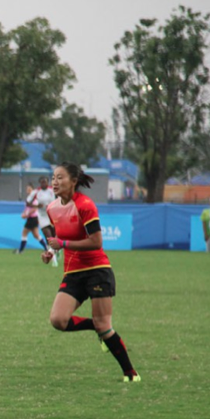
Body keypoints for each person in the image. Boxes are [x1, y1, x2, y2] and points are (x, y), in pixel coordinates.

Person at [43, 163, 140, 382]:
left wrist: (62, 244)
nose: (55, 182)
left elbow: (96, 242)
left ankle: (130, 373)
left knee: (104, 325)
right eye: (53, 177)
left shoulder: (85, 205)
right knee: (58, 320)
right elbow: (60, 238)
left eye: (60, 177)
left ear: (74, 181)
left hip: (97, 271)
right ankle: (94, 327)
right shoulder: (52, 208)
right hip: (73, 272)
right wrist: (51, 252)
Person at [14, 183, 49, 254]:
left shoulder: (34, 198)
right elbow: (27, 208)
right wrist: (24, 213)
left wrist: (26, 214)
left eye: (29, 189)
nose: (28, 190)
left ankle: (20, 250)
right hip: (33, 218)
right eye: (27, 189)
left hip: (32, 218)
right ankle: (46, 248)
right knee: (36, 235)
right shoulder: (28, 199)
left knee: (24, 232)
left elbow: (35, 208)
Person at [35, 176, 60, 267]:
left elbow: (59, 199)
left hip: (53, 216)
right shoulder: (36, 192)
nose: (43, 184)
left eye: (45, 182)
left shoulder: (52, 190)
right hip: (42, 217)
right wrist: (37, 206)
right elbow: (28, 202)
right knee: (49, 238)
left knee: (55, 237)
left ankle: (56, 251)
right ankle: (54, 260)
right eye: (42, 182)